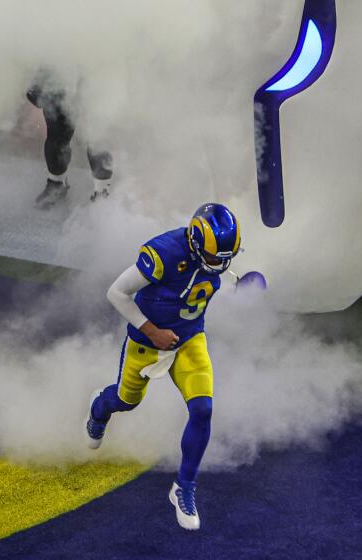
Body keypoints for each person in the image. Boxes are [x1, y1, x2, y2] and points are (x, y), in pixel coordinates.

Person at [85, 202, 241, 530]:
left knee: (202, 410)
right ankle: (99, 408)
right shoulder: (165, 253)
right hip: (147, 343)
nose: (219, 264)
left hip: (189, 340)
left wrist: (242, 282)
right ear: (196, 244)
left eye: (225, 257)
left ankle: (184, 487)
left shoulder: (216, 257)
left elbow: (221, 269)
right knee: (126, 401)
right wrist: (152, 331)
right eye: (214, 257)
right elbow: (116, 293)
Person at [26, 72, 113, 208]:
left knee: (97, 135)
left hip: (96, 70)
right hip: (60, 73)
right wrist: (37, 79)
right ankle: (57, 184)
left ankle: (102, 192)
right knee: (56, 136)